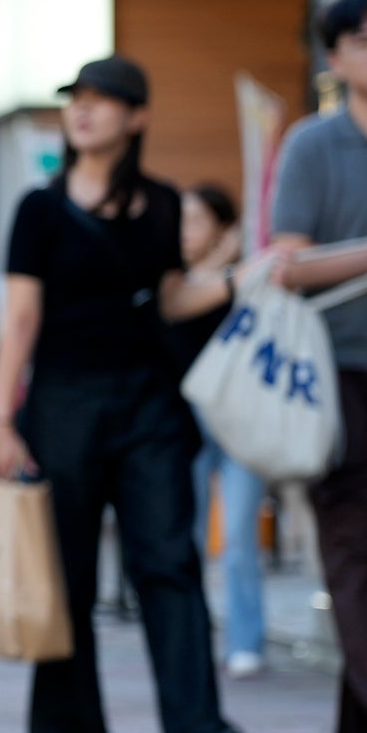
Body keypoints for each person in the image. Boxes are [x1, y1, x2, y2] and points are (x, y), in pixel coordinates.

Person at [0, 55, 243, 733]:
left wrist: (230, 282)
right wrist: (2, 419)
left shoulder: (162, 204)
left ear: (138, 117)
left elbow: (166, 298)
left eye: (104, 101)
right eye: (78, 100)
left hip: (148, 402)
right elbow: (22, 319)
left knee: (168, 558)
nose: (85, 111)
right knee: (64, 572)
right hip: (63, 402)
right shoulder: (38, 209)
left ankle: (199, 732)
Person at [269, 0, 367, 733]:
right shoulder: (315, 147)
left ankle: (365, 723)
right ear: (336, 58)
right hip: (343, 371)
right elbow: (289, 264)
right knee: (356, 539)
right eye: (364, 39)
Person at [167, 184, 265, 679]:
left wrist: (230, 269)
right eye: (181, 221)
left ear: (223, 228)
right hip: (184, 421)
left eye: (198, 221)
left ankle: (246, 639)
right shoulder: (172, 281)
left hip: (241, 418)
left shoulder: (247, 280)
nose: (186, 232)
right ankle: (192, 636)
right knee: (185, 534)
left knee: (239, 534)